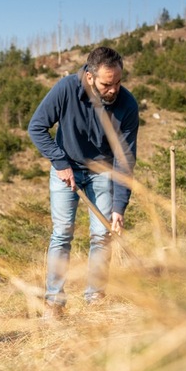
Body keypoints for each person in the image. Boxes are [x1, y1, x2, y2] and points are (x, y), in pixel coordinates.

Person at [27, 46, 139, 318]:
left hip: (102, 171)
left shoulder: (127, 105)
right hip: (65, 168)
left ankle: (95, 299)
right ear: (89, 77)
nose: (113, 89)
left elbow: (125, 159)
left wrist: (118, 207)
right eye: (106, 83)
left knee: (102, 235)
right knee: (63, 232)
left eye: (118, 82)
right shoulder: (66, 89)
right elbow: (37, 127)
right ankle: (54, 303)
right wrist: (60, 162)